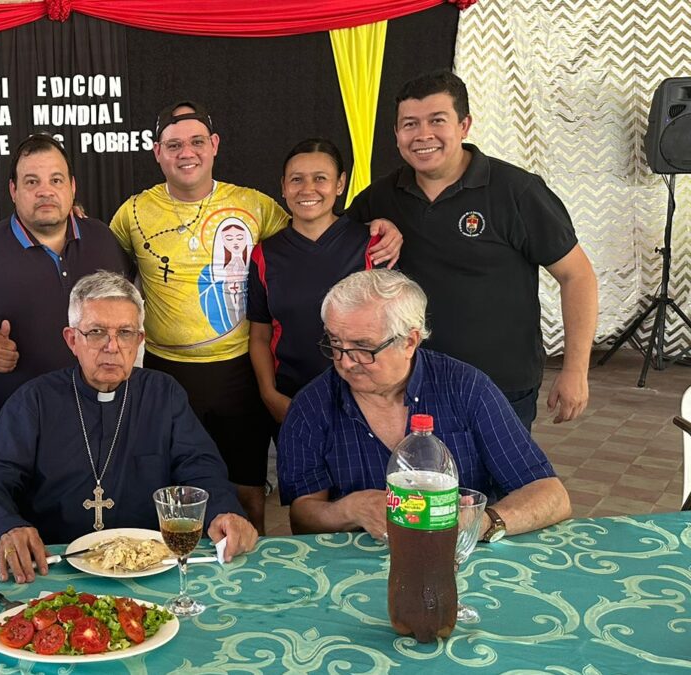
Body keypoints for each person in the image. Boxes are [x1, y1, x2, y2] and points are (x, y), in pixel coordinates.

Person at [110, 100, 401, 532]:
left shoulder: (255, 205)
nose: (185, 153)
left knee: (246, 486)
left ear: (213, 145)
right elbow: (102, 261)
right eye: (173, 145)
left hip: (237, 370)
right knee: (166, 481)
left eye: (195, 142)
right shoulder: (131, 213)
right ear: (157, 152)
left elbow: (315, 223)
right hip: (165, 369)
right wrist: (75, 218)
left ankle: (249, 569)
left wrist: (380, 226)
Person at [0, 271, 257, 583]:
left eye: (125, 333)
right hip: (54, 567)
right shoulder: (34, 400)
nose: (112, 346)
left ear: (140, 341)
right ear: (72, 339)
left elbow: (199, 468)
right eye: (96, 332)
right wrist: (5, 527)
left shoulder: (163, 394)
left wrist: (225, 511)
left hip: (150, 566)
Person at [347, 71, 598, 428]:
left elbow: (578, 276)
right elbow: (336, 245)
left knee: (499, 485)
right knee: (419, 482)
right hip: (411, 383)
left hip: (501, 387)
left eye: (437, 121)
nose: (423, 135)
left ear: (464, 125)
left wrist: (575, 369)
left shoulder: (517, 191)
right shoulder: (380, 197)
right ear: (396, 134)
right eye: (410, 124)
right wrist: (374, 228)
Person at [277, 269, 571, 542]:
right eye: (335, 342)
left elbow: (551, 495)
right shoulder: (311, 406)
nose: (345, 361)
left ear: (410, 341)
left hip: (458, 560)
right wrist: (351, 509)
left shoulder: (465, 388)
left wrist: (478, 523)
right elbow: (302, 519)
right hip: (354, 566)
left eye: (363, 347)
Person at [0, 134, 131, 418]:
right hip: (19, 428)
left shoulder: (103, 239)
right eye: (32, 182)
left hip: (103, 416)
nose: (45, 191)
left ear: (72, 187)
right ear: (13, 190)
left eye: (56, 180)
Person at [249, 139, 388, 424]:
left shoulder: (372, 245)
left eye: (320, 179)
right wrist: (269, 395)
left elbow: (392, 331)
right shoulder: (265, 254)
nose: (307, 189)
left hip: (365, 401)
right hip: (292, 400)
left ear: (340, 184)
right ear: (284, 187)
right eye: (297, 180)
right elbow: (260, 336)